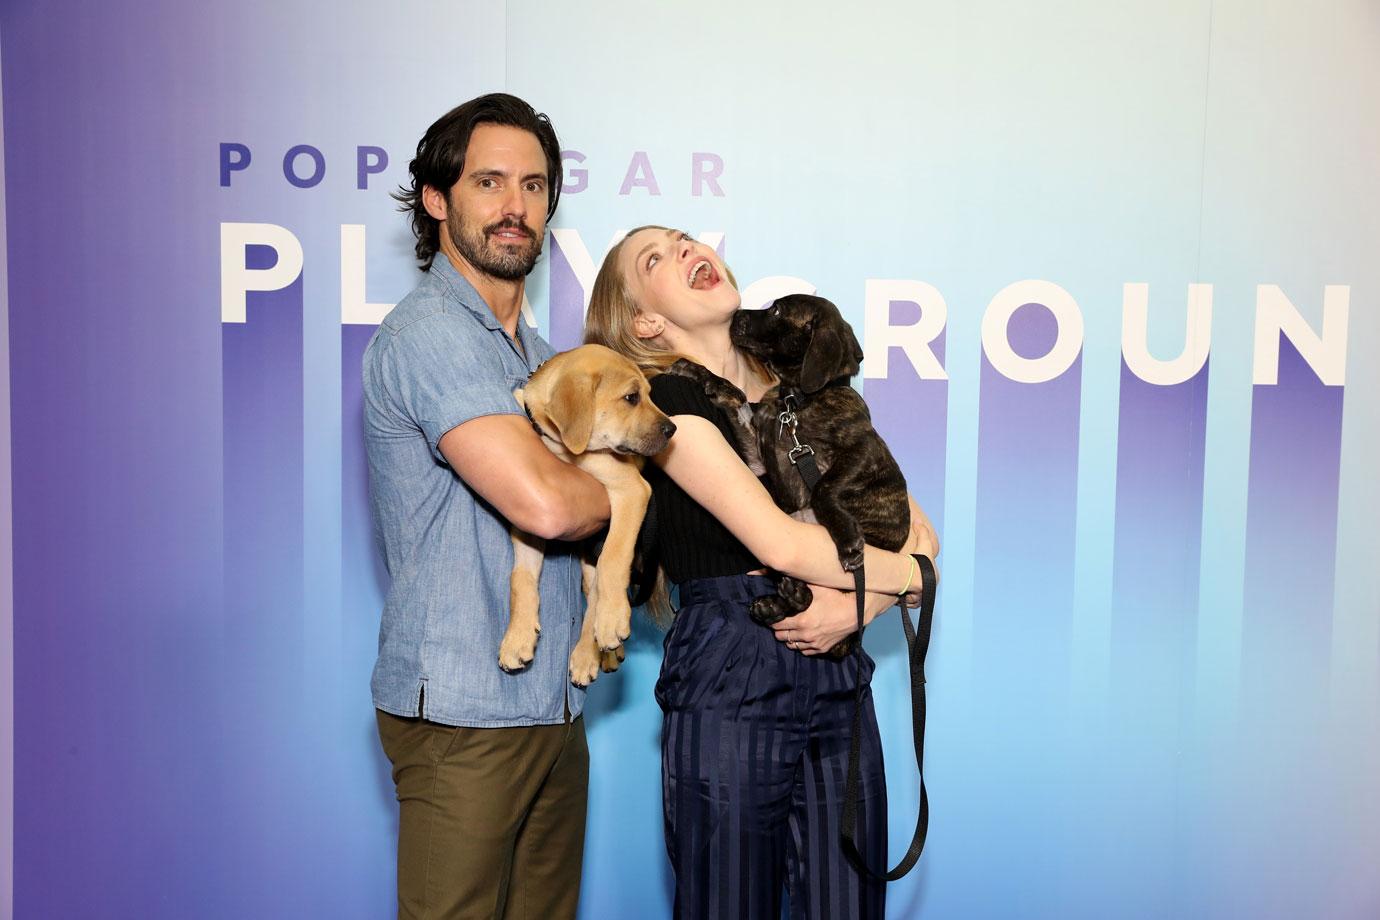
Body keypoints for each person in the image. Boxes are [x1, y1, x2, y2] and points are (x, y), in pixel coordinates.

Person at [584, 226, 939, 919]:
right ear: (645, 321)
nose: (688, 252)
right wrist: (901, 578)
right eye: (656, 258)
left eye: (688, 240)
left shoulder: (808, 391)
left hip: (837, 664)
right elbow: (780, 544)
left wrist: (858, 607)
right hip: (731, 664)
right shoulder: (663, 408)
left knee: (849, 905)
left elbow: (914, 530)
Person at [363, 93, 610, 920]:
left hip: (552, 707)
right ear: (437, 201)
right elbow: (544, 505)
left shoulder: (543, 360)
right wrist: (624, 491)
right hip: (465, 716)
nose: (516, 208)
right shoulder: (430, 334)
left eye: (535, 187)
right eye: (491, 183)